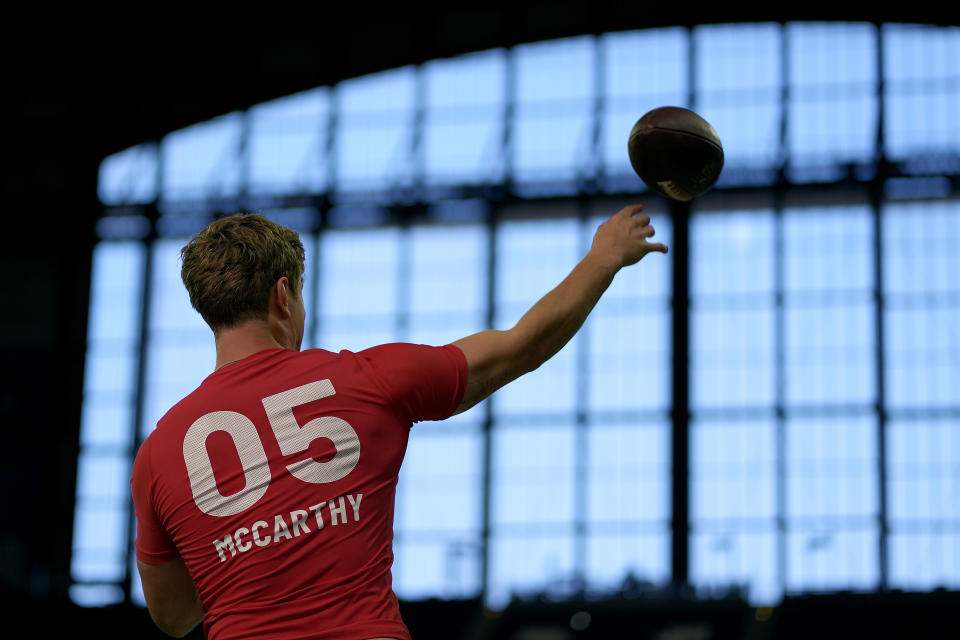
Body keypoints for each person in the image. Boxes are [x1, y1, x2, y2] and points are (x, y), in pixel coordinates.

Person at [131, 204, 667, 639]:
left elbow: (174, 616)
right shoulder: (367, 379)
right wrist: (604, 257)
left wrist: (251, 549)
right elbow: (519, 348)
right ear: (283, 294)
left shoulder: (158, 455)